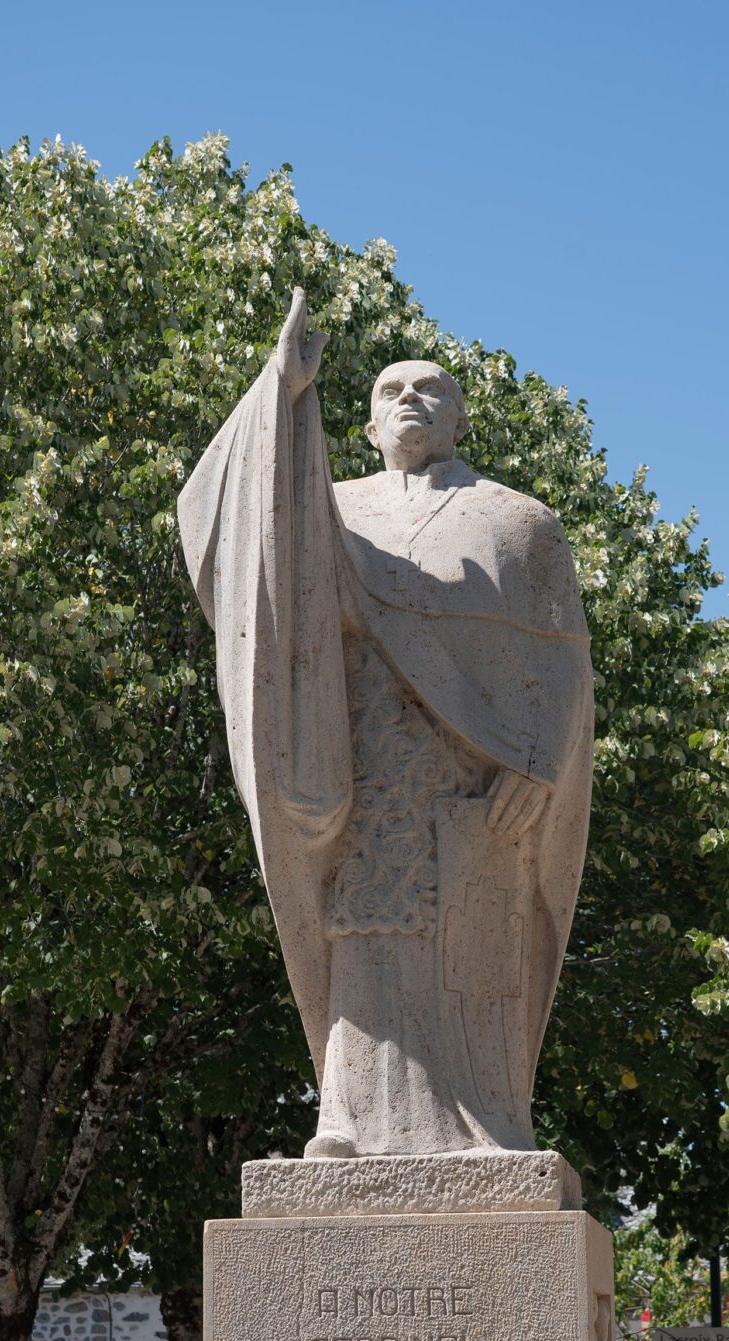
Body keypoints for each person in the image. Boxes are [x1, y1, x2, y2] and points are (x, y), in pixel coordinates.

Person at [179, 290, 593, 1159]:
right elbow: (242, 523)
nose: (411, 398)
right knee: (367, 926)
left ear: (462, 418)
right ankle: (349, 1116)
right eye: (390, 389)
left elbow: (561, 661)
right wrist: (283, 393)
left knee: (475, 944)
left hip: (480, 772)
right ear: (366, 426)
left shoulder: (520, 521)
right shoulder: (328, 512)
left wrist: (539, 761)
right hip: (367, 755)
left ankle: (491, 1123)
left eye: (431, 387)